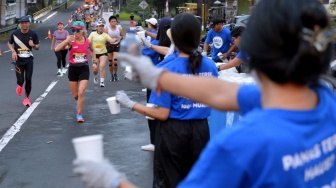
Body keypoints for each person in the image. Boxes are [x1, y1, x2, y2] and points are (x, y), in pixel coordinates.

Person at [73, 0, 336, 187]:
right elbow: (222, 91)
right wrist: (158, 76)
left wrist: (111, 180)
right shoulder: (324, 101)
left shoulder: (242, 145)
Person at [117, 13, 218, 187]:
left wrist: (131, 104)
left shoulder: (166, 68)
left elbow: (162, 114)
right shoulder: (209, 65)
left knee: (168, 181)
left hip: (173, 132)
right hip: (201, 131)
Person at [55, 21, 95, 122]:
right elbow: (57, 49)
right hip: (73, 69)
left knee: (81, 92)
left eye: (77, 30)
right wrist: (66, 40)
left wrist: (94, 62)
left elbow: (93, 50)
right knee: (76, 95)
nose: (75, 33)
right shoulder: (70, 41)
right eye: (73, 30)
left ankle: (79, 114)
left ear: (82, 31)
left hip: (84, 68)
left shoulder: (88, 41)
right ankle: (79, 103)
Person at [7, 16, 40, 107]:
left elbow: (38, 47)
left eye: (26, 22)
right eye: (22, 23)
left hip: (29, 60)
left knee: (28, 79)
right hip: (18, 61)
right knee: (21, 80)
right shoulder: (15, 33)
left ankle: (26, 98)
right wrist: (13, 51)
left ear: (29, 23)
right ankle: (20, 85)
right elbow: (9, 43)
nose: (24, 24)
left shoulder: (33, 34)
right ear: (20, 24)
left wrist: (33, 45)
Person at [88, 21, 115, 87]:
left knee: (102, 66)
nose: (101, 27)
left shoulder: (105, 35)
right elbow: (88, 41)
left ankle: (102, 82)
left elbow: (111, 40)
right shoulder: (92, 34)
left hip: (103, 53)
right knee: (95, 69)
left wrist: (114, 40)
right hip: (95, 54)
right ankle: (95, 76)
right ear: (97, 27)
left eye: (102, 26)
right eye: (100, 26)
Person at [104, 15, 124, 82]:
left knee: (114, 60)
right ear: (110, 22)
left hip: (116, 46)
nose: (113, 22)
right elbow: (104, 38)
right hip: (109, 46)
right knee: (110, 62)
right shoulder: (107, 29)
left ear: (116, 22)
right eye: (112, 21)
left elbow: (122, 35)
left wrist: (120, 38)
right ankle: (111, 75)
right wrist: (109, 39)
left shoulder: (119, 28)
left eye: (114, 21)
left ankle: (115, 73)